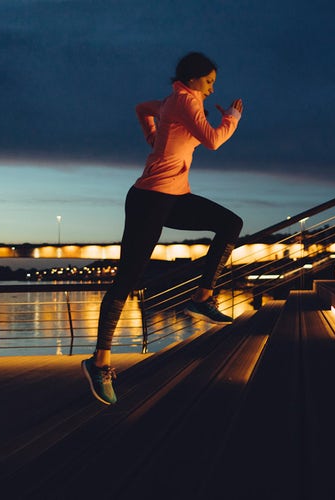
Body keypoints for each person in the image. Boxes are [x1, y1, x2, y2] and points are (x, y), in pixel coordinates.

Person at [82, 51, 244, 405]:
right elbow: (214, 140)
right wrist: (232, 118)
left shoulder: (174, 100)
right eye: (209, 82)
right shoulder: (185, 101)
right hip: (149, 200)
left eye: (214, 83)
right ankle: (99, 362)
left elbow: (142, 108)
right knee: (127, 279)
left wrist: (153, 136)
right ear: (191, 79)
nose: (213, 90)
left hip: (174, 197)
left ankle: (202, 298)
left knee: (231, 224)